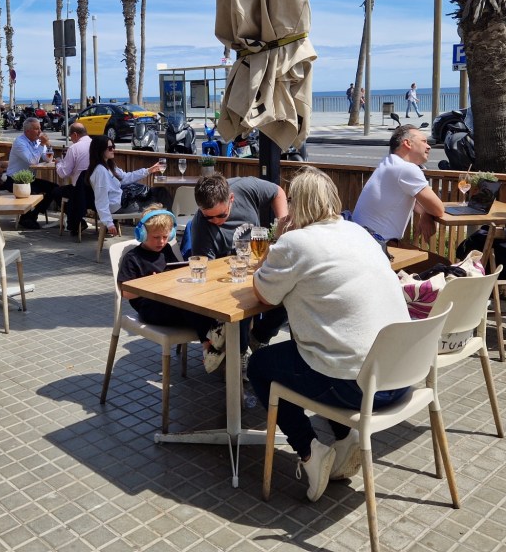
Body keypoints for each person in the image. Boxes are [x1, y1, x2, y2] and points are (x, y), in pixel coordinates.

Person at [247, 167, 411, 502]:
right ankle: (345, 438)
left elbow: (264, 294)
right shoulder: (359, 232)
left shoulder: (295, 242)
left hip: (360, 389)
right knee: (320, 350)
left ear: (296, 205)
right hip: (402, 377)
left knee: (260, 365)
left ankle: (310, 452)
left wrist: (278, 240)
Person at [116, 204, 227, 372]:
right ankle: (209, 343)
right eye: (156, 237)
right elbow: (125, 292)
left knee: (196, 300)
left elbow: (176, 272)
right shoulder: (133, 258)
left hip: (172, 301)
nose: (161, 241)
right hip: (150, 308)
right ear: (142, 234)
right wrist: (150, 284)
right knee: (187, 306)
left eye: (165, 236)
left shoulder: (166, 250)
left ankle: (218, 337)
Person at [191, 173, 289, 352]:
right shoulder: (200, 227)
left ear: (231, 199)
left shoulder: (245, 188)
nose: (216, 221)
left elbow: (277, 192)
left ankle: (260, 336)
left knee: (290, 291)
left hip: (258, 265)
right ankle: (239, 353)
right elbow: (208, 279)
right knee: (241, 302)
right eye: (209, 217)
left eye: (221, 215)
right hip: (229, 280)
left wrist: (283, 229)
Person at [352, 124, 445, 245]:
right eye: (424, 141)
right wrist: (429, 211)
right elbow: (438, 209)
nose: (429, 146)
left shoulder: (389, 162)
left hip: (360, 238)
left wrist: (426, 214)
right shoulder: (406, 169)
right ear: (407, 143)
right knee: (436, 258)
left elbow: (420, 205)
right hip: (377, 244)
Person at [86, 135, 170, 236]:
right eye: (110, 148)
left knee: (161, 191)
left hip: (124, 200)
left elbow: (125, 177)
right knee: (161, 200)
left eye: (113, 147)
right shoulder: (100, 171)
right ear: (100, 150)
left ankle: (164, 229)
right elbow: (101, 199)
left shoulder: (109, 165)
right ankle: (166, 229)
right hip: (120, 206)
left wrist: (149, 170)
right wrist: (109, 223)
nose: (113, 150)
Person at [1, 117, 58, 229]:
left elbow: (48, 159)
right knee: (34, 192)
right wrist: (42, 145)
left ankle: (32, 215)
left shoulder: (38, 142)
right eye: (37, 129)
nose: (40, 131)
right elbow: (32, 161)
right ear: (28, 131)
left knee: (54, 189)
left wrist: (48, 145)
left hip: (29, 179)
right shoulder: (20, 143)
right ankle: (27, 218)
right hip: (14, 180)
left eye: (40, 128)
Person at [57, 122, 91, 234]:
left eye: (70, 137)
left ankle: (77, 221)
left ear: (75, 135)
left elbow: (63, 173)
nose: (71, 140)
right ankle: (78, 221)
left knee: (56, 192)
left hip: (79, 191)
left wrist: (58, 163)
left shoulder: (74, 148)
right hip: (96, 192)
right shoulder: (96, 145)